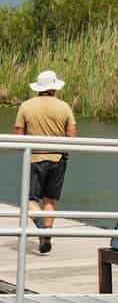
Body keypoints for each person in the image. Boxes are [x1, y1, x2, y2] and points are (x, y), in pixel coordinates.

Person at [13, 70, 76, 255]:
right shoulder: (64, 107)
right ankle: (45, 235)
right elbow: (71, 136)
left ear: (39, 88)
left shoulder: (26, 106)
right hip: (58, 158)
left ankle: (41, 227)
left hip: (34, 158)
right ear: (54, 88)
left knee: (29, 199)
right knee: (50, 199)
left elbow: (18, 135)